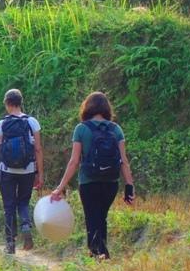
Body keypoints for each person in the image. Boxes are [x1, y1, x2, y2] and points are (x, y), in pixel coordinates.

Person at [51, 91, 135, 260]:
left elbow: (74, 162)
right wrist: (129, 186)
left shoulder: (82, 129)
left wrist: (60, 188)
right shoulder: (116, 129)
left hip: (89, 182)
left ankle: (99, 254)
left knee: (92, 218)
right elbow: (123, 161)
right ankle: (99, 255)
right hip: (111, 182)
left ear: (87, 107)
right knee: (101, 217)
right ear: (106, 108)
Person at [0, 89, 44, 254]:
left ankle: (10, 244)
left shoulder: (2, 123)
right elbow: (37, 149)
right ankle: (25, 225)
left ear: (7, 104)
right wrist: (40, 174)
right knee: (23, 201)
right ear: (20, 102)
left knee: (9, 206)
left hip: (7, 170)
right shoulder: (32, 122)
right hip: (27, 169)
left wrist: (4, 156)